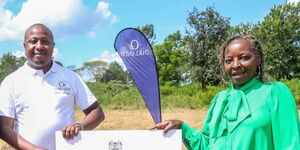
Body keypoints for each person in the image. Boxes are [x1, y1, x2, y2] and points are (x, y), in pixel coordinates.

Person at [151, 35, 300, 150]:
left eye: (244, 58)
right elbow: (207, 145)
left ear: (258, 59)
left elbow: (290, 145)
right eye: (229, 60)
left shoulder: (275, 92)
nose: (235, 65)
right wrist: (181, 127)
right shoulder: (220, 99)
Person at [0, 23, 105, 150]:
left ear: (53, 46)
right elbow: (4, 128)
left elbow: (97, 112)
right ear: (25, 45)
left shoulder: (71, 77)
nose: (39, 46)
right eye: (33, 41)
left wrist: (79, 126)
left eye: (45, 41)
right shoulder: (11, 81)